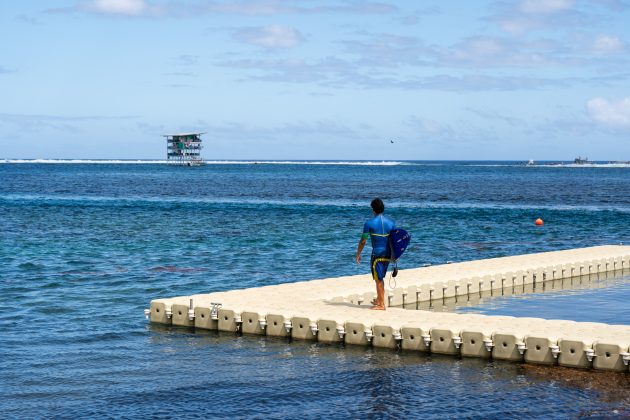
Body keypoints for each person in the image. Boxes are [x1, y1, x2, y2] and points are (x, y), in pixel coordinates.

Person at [355, 198, 395, 310]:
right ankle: (379, 299)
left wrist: (358, 253)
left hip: (376, 255)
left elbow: (363, 240)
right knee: (381, 277)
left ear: (373, 210)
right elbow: (395, 240)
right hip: (387, 255)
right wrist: (395, 256)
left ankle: (381, 305)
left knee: (378, 279)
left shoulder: (369, 223)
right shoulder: (391, 223)